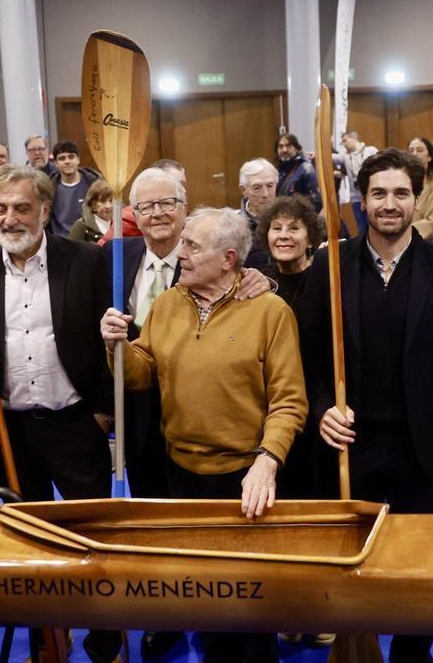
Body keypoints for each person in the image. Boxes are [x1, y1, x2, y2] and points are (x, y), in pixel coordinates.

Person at [299, 148, 433, 663]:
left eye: (400, 193)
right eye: (378, 193)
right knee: (351, 564)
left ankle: (410, 653)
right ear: (362, 200)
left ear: (416, 198)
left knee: (416, 567)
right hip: (348, 448)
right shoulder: (330, 265)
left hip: (420, 449)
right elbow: (310, 357)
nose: (389, 203)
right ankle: (358, 648)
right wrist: (322, 411)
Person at [101, 206, 307, 663]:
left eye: (193, 246)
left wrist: (267, 462)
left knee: (250, 609)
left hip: (244, 481)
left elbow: (290, 402)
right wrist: (116, 346)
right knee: (204, 599)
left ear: (229, 258)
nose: (182, 253)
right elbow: (141, 375)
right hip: (182, 476)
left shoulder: (270, 312)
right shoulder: (169, 303)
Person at [0, 165, 120, 661]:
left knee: (89, 538)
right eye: (0, 209)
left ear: (45, 210)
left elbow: (111, 342)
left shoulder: (86, 260)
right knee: (28, 545)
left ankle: (105, 638)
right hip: (11, 429)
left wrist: (104, 415)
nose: (9, 219)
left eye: (21, 207)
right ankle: (50, 638)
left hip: (74, 423)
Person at [48, 140, 99, 237]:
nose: (67, 161)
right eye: (62, 158)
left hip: (89, 241)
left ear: (78, 160)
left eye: (71, 157)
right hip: (60, 243)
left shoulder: (94, 183)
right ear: (55, 163)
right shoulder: (49, 187)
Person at [334, 131, 378, 236]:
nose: (344, 144)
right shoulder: (346, 157)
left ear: (353, 138)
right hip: (356, 198)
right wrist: (316, 154)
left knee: (374, 226)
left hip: (372, 195)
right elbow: (332, 157)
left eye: (345, 140)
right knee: (362, 228)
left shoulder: (371, 151)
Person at [239, 158, 279, 268]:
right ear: (244, 190)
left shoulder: (290, 219)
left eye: (270, 186)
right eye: (257, 188)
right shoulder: (234, 226)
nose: (265, 194)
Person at [275, 133, 322, 211]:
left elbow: (316, 201)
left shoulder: (306, 169)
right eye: (280, 146)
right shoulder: (279, 170)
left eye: (288, 146)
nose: (284, 150)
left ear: (296, 148)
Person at [69, 178, 112, 244]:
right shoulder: (81, 225)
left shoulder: (122, 223)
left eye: (111, 201)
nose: (108, 206)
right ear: (93, 204)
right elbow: (70, 250)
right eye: (103, 201)